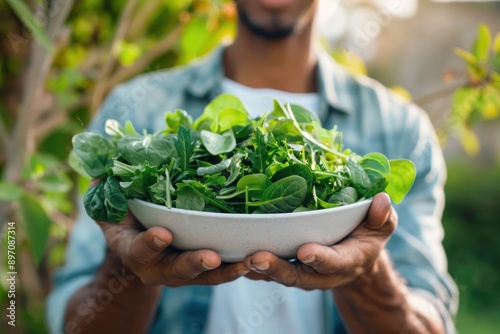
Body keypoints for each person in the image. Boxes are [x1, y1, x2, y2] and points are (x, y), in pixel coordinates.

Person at [46, 1, 458, 333]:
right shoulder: (137, 108)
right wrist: (128, 266)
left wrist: (367, 274)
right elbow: (75, 322)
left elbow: (431, 320)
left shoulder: (400, 129)